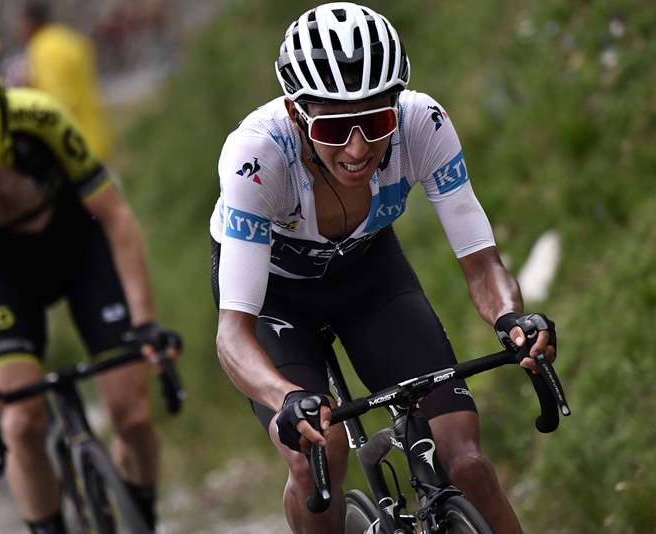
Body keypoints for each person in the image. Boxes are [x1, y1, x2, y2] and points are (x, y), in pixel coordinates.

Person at [209, 3, 557, 533]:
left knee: (466, 462)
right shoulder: (256, 157)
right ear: (297, 114)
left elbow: (482, 263)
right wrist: (286, 398)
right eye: (333, 129)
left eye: (375, 122)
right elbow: (232, 334)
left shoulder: (422, 123)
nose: (358, 148)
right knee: (316, 456)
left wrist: (511, 319)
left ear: (396, 108)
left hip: (369, 278)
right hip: (276, 301)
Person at [0, 48, 178, 533]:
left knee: (131, 413)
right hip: (4, 272)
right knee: (20, 423)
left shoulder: (41, 118)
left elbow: (116, 218)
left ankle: (142, 518)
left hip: (82, 250)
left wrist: (145, 320)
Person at [9, 0, 112, 160]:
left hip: (77, 148)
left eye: (18, 21)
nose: (15, 28)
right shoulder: (65, 37)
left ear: (29, 22)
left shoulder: (43, 49)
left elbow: (58, 103)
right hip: (96, 133)